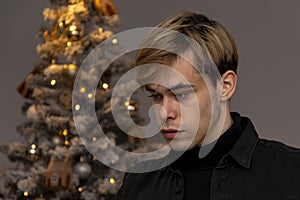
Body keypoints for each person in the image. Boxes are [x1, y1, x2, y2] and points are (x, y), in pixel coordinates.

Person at [116, 10, 300, 200]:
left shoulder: (291, 174)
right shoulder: (138, 183)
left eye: (181, 94)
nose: (164, 113)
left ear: (225, 86)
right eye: (156, 96)